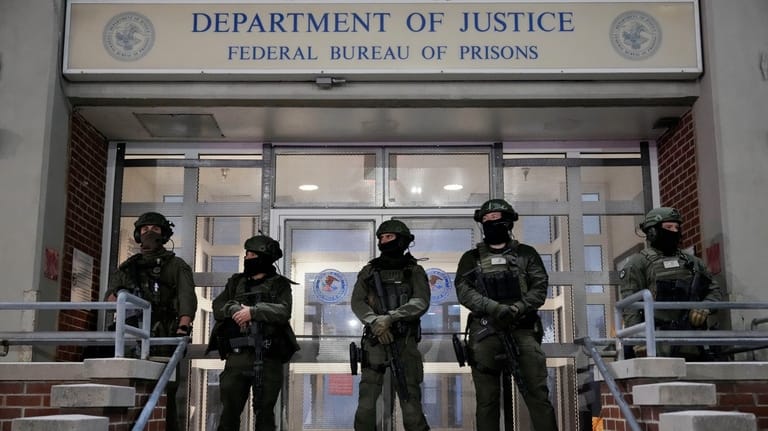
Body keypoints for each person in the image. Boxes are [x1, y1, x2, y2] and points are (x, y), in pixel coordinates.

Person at [454, 199, 558, 431]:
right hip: (485, 334)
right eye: (487, 219)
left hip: (522, 331)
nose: (492, 222)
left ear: (508, 220)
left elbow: (539, 288)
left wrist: (517, 308)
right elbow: (464, 291)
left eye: (497, 217)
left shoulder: (526, 254)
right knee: (487, 402)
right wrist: (494, 308)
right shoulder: (471, 259)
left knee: (537, 396)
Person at [104, 211, 197, 431]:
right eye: (144, 230)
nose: (149, 233)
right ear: (137, 235)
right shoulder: (128, 267)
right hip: (131, 334)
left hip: (163, 334)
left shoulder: (176, 266)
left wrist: (183, 327)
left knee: (165, 393)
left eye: (155, 229)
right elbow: (110, 298)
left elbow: (187, 298)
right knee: (131, 390)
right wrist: (126, 299)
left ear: (164, 235)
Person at [207, 235, 299, 431]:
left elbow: (284, 311)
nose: (247, 258)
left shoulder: (280, 284)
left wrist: (253, 312)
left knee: (265, 415)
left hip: (268, 357)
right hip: (238, 357)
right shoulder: (236, 282)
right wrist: (233, 309)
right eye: (247, 254)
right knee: (229, 413)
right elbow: (218, 306)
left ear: (265, 257)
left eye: (253, 254)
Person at [350, 220, 431, 431]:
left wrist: (391, 318)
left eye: (389, 237)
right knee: (367, 403)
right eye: (381, 237)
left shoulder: (414, 270)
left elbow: (420, 301)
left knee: (410, 399)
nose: (383, 241)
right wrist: (376, 321)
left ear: (402, 240)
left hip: (404, 342)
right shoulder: (368, 271)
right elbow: (357, 302)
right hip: (376, 342)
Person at [619, 207, 722, 360]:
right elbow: (631, 306)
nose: (674, 231)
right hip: (656, 343)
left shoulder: (692, 262)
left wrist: (704, 307)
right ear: (652, 232)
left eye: (677, 227)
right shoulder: (637, 264)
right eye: (669, 227)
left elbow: (714, 291)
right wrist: (638, 339)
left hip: (692, 343)